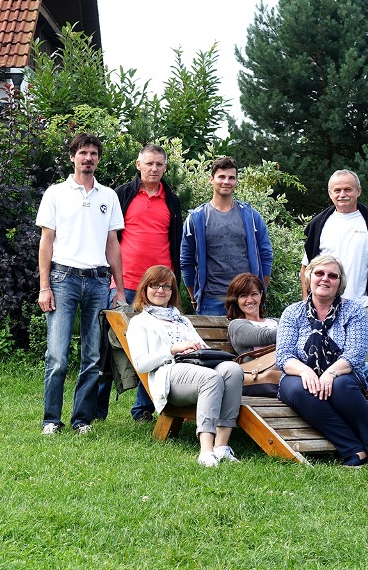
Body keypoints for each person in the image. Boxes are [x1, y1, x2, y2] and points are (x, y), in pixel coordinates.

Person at [36, 133, 125, 435]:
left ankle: (81, 420)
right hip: (63, 280)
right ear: (72, 157)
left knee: (92, 357)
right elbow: (46, 242)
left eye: (94, 154)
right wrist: (44, 286)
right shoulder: (55, 194)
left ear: (98, 159)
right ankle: (51, 420)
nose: (88, 158)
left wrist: (120, 289)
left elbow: (113, 244)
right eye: (83, 153)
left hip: (99, 281)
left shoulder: (108, 196)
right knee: (57, 356)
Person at [275, 254, 368, 467]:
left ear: (340, 282)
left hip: (343, 374)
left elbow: (355, 354)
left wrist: (330, 373)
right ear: (309, 277)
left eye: (332, 275)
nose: (325, 279)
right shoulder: (292, 312)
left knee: (340, 386)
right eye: (319, 273)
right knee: (300, 389)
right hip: (300, 374)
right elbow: (283, 355)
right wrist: (306, 372)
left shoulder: (354, 311)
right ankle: (354, 450)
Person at [97, 144, 183, 423]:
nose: (154, 169)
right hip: (125, 283)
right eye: (149, 163)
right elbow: (109, 239)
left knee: (156, 346)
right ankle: (96, 410)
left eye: (159, 164)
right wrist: (113, 280)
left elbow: (176, 243)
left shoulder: (172, 201)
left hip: (160, 287)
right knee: (109, 347)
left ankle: (143, 409)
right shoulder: (122, 194)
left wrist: (174, 283)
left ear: (165, 167)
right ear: (138, 165)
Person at [126, 265, 244, 467]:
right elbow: (141, 364)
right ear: (145, 288)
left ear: (172, 291)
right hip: (170, 375)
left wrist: (202, 349)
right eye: (155, 285)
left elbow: (202, 346)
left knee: (232, 370)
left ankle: (222, 446)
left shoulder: (181, 320)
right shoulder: (140, 322)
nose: (161, 290)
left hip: (197, 367)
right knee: (211, 378)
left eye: (167, 286)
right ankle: (206, 451)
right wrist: (173, 349)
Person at [225, 272, 368, 400]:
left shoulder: (276, 321)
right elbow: (264, 336)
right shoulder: (237, 325)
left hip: (310, 362)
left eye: (254, 294)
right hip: (278, 373)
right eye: (243, 296)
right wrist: (298, 328)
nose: (250, 300)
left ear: (261, 295)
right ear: (236, 300)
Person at [302, 169, 368, 371]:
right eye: (337, 190)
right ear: (330, 193)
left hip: (362, 306)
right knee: (323, 367)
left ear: (358, 191)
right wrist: (306, 301)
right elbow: (306, 268)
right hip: (323, 309)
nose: (342, 194)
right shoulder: (319, 223)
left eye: (348, 189)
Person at [180, 156, 272, 316]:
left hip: (246, 299)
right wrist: (194, 297)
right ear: (211, 179)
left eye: (231, 178)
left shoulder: (251, 216)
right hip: (211, 300)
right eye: (221, 177)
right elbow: (186, 261)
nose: (226, 181)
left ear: (236, 181)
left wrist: (259, 291)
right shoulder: (196, 218)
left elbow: (266, 255)